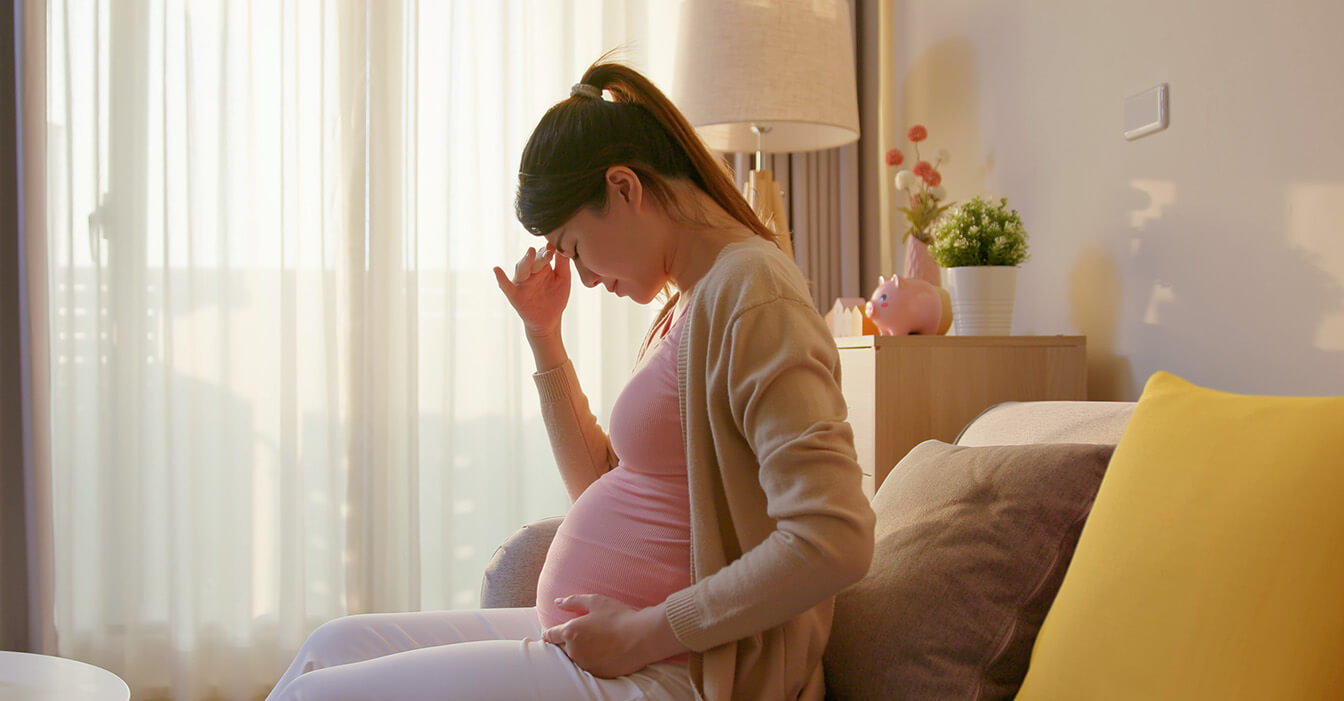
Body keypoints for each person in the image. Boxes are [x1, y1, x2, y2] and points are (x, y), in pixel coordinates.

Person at [265, 58, 875, 701]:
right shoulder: (691, 300)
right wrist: (543, 335)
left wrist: (643, 632)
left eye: (575, 247)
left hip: (688, 670)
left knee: (320, 696)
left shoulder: (752, 291)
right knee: (328, 648)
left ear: (624, 188)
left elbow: (833, 539)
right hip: (617, 645)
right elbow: (603, 485)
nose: (581, 278)